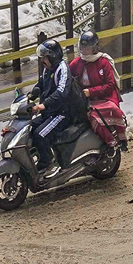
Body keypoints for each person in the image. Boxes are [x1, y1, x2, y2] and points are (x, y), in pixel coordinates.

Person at [30, 38, 85, 178]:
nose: (43, 61)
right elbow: (41, 84)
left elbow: (61, 92)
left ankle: (49, 163)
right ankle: (41, 159)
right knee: (29, 128)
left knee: (40, 134)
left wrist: (44, 104)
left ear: (53, 57)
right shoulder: (47, 70)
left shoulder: (62, 69)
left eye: (45, 58)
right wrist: (31, 94)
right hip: (50, 112)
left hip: (62, 114)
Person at [69, 31, 127, 149]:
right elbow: (68, 78)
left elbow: (110, 84)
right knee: (93, 117)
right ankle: (109, 141)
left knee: (114, 110)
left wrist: (91, 91)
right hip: (85, 100)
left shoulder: (103, 62)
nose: (85, 50)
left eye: (88, 48)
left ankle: (121, 139)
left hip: (105, 97)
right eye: (83, 47)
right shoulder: (76, 63)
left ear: (94, 48)